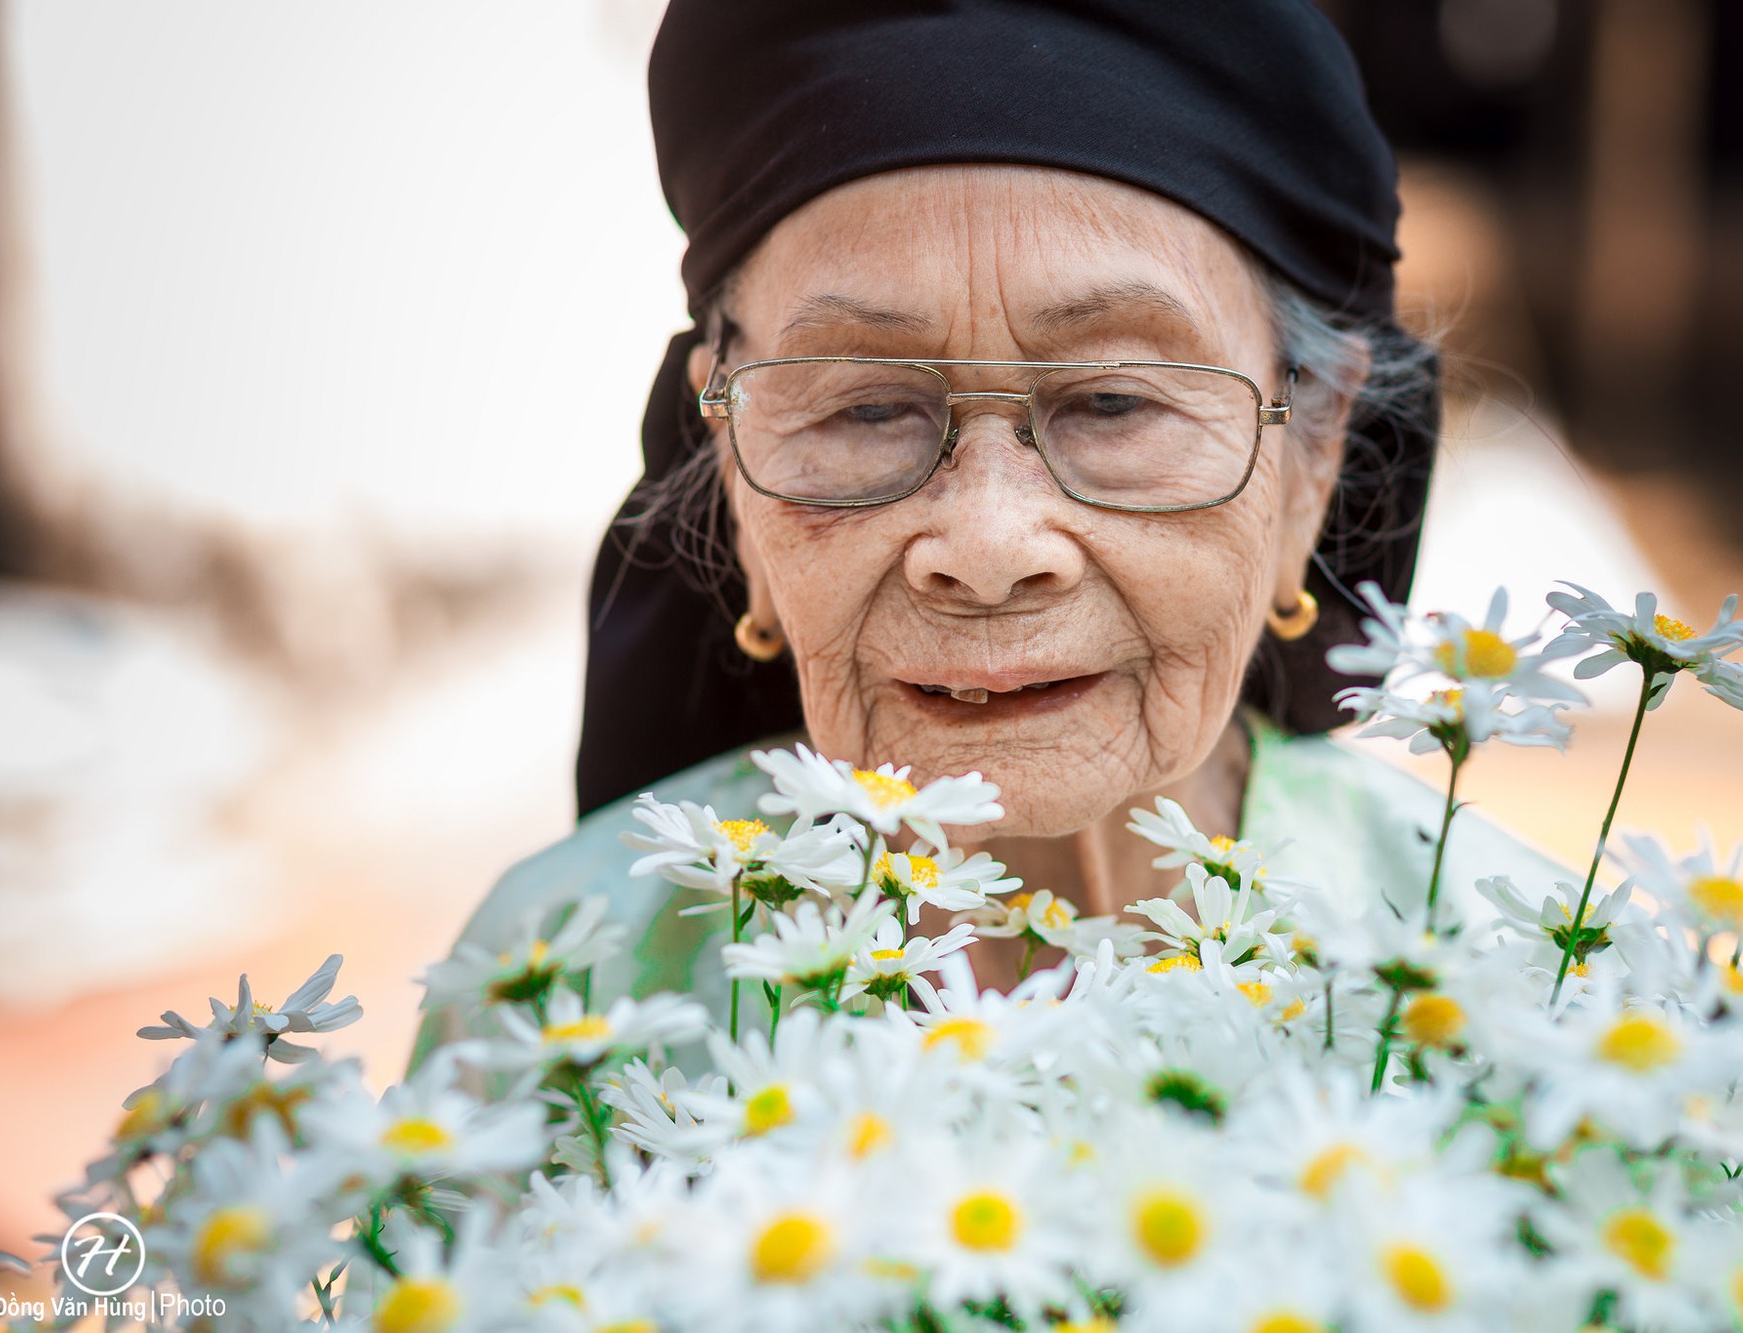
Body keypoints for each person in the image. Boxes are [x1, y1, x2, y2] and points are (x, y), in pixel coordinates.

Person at [416, 0, 1559, 1056]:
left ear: (1310, 455)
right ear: (727, 463)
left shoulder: (1532, 998)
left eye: (1112, 402)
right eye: (864, 409)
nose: (988, 545)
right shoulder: (554, 996)